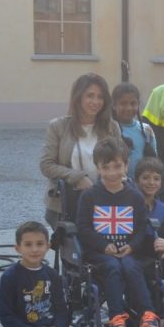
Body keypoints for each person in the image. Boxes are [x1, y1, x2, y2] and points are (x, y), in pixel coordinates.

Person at [76, 137, 161, 327]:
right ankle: (116, 318)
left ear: (126, 165)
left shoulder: (134, 196)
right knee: (113, 267)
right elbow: (83, 228)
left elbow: (141, 227)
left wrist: (132, 246)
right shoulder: (89, 196)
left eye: (117, 166)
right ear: (97, 167)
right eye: (106, 167)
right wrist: (102, 246)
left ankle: (148, 314)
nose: (113, 172)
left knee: (131, 267)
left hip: (128, 250)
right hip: (99, 252)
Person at [40, 73, 122, 225]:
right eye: (90, 96)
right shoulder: (58, 127)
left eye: (100, 97)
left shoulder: (112, 127)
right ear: (78, 98)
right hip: (66, 205)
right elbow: (46, 165)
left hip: (104, 203)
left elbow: (121, 161)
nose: (95, 102)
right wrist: (77, 177)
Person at [0, 220, 77, 327]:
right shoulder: (10, 277)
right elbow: (6, 317)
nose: (34, 249)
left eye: (39, 244)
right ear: (17, 248)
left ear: (47, 246)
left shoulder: (52, 275)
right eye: (28, 245)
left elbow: (61, 309)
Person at [111, 82, 157, 172]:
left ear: (138, 104)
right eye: (123, 104)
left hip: (142, 184)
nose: (128, 108)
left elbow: (154, 162)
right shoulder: (109, 129)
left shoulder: (146, 130)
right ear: (113, 105)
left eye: (133, 103)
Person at [134, 157, 164, 236]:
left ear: (161, 182)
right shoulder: (129, 206)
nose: (151, 182)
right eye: (146, 178)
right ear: (137, 180)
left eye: (156, 179)